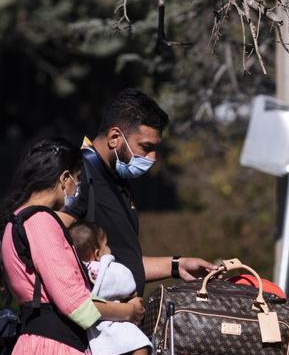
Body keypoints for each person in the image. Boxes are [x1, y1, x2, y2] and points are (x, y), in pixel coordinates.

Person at [57, 89, 218, 297]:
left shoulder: (119, 181)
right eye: (146, 147)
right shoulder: (79, 175)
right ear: (115, 137)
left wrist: (177, 265)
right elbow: (52, 245)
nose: (152, 158)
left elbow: (125, 262)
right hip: (94, 323)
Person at [0, 137, 145, 355]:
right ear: (64, 178)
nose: (77, 188)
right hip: (53, 349)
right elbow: (76, 304)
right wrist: (128, 312)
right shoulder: (41, 221)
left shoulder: (16, 221)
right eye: (77, 180)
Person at [70, 221, 151, 355]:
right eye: (106, 246)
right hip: (115, 322)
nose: (109, 249)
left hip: (92, 333)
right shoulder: (104, 269)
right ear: (97, 253)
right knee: (141, 345)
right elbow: (127, 283)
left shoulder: (76, 271)